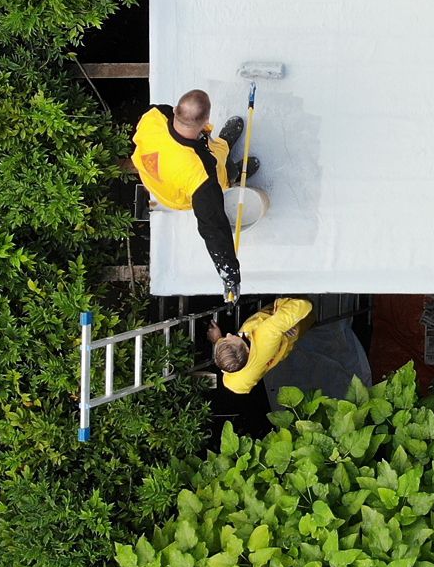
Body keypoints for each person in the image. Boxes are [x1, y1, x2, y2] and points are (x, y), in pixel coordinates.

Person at [132, 89, 259, 295]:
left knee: (213, 147)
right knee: (223, 171)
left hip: (157, 179)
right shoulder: (200, 176)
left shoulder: (153, 117)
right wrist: (229, 273)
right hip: (182, 191)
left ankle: (224, 143)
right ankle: (234, 174)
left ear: (175, 111)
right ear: (206, 119)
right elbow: (213, 226)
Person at [208, 297, 314, 394]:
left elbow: (237, 386)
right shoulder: (267, 332)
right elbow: (305, 305)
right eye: (232, 338)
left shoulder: (237, 382)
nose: (228, 334)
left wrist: (217, 340)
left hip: (286, 343)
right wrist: (280, 316)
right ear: (246, 349)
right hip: (298, 320)